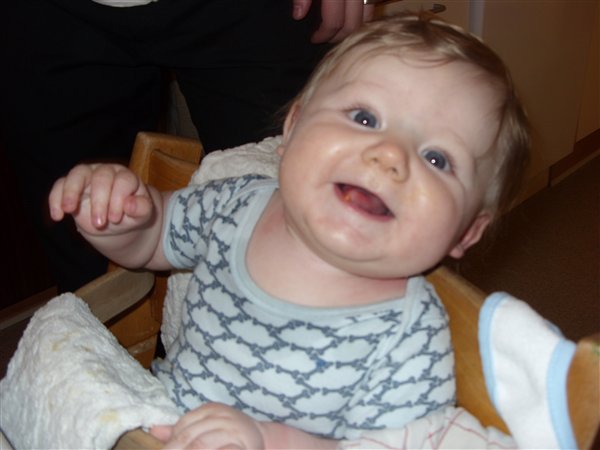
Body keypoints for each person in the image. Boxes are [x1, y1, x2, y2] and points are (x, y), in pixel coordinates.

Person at [48, 11, 530, 449]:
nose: (390, 157)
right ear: (294, 127)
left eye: (437, 158)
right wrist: (118, 217)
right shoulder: (236, 204)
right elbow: (153, 240)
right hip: (159, 423)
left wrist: (270, 440)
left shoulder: (410, 336)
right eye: (365, 118)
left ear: (466, 232)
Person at [0, 0, 374, 294]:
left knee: (306, 215)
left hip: (251, 12)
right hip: (40, 17)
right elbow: (157, 236)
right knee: (88, 250)